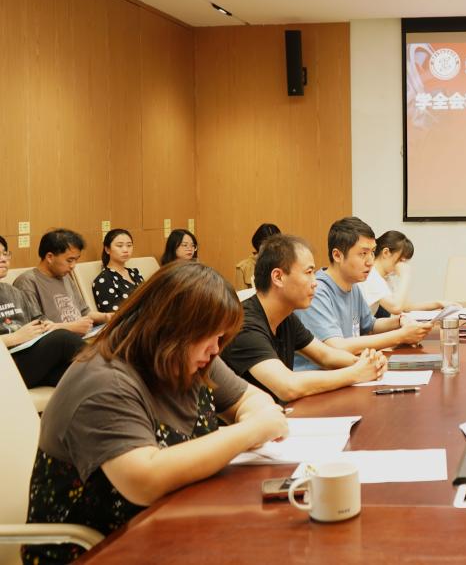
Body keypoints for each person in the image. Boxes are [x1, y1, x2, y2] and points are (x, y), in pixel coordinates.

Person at [23, 261, 288, 565]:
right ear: (171, 328)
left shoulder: (190, 356)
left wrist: (255, 418)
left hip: (173, 527)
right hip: (100, 549)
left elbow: (251, 399)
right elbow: (144, 480)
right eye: (211, 336)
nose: (216, 349)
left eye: (221, 338)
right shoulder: (105, 381)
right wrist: (250, 431)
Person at [219, 234, 387, 401]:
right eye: (308, 272)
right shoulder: (244, 325)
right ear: (278, 277)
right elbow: (287, 387)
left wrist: (367, 363)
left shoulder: (285, 317)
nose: (315, 282)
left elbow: (326, 356)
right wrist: (356, 373)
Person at [294, 218, 432, 371]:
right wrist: (401, 336)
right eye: (363, 254)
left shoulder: (353, 286)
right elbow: (337, 347)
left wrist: (399, 321)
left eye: (372, 252)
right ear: (337, 255)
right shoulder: (317, 291)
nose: (370, 261)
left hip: (348, 371)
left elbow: (370, 325)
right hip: (319, 377)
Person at [0, 235, 84, 388]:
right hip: (6, 365)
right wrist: (14, 338)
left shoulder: (13, 292)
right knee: (62, 338)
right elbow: (19, 336)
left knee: (82, 377)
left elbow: (38, 319)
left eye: (5, 253)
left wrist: (44, 326)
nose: (3, 259)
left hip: (28, 357)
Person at [13, 228, 110, 334]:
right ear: (50, 257)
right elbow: (36, 325)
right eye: (69, 260)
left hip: (81, 335)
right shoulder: (27, 282)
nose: (73, 266)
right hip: (57, 340)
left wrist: (107, 317)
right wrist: (72, 327)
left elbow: (84, 311)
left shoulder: (65, 276)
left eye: (76, 260)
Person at [358, 229, 448, 317]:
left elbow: (405, 307)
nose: (402, 265)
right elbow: (396, 308)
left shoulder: (386, 278)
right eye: (401, 260)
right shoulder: (370, 275)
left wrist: (438, 304)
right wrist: (405, 276)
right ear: (386, 252)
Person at [92, 228, 145, 313]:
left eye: (129, 245)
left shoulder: (135, 272)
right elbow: (113, 314)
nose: (125, 250)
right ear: (107, 249)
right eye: (120, 246)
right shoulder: (103, 279)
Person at [235, 223, 281, 289]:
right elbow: (241, 295)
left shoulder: (284, 265)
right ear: (258, 244)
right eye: (267, 244)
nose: (272, 249)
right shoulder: (244, 267)